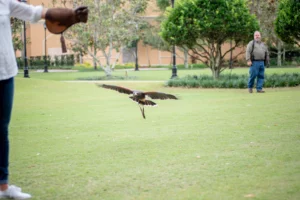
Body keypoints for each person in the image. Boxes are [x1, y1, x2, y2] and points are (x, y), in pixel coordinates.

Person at [0, 1, 88, 199]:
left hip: (5, 74)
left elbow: (36, 12)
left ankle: (3, 188)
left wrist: (71, 15)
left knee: (1, 131)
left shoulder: (4, 2)